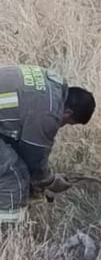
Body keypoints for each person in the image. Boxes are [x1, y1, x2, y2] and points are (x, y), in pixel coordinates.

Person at [0, 64, 95, 230]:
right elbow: (33, 160)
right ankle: (8, 234)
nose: (62, 126)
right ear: (68, 113)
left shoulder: (52, 83)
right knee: (13, 174)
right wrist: (50, 181)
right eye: (68, 124)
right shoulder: (48, 113)